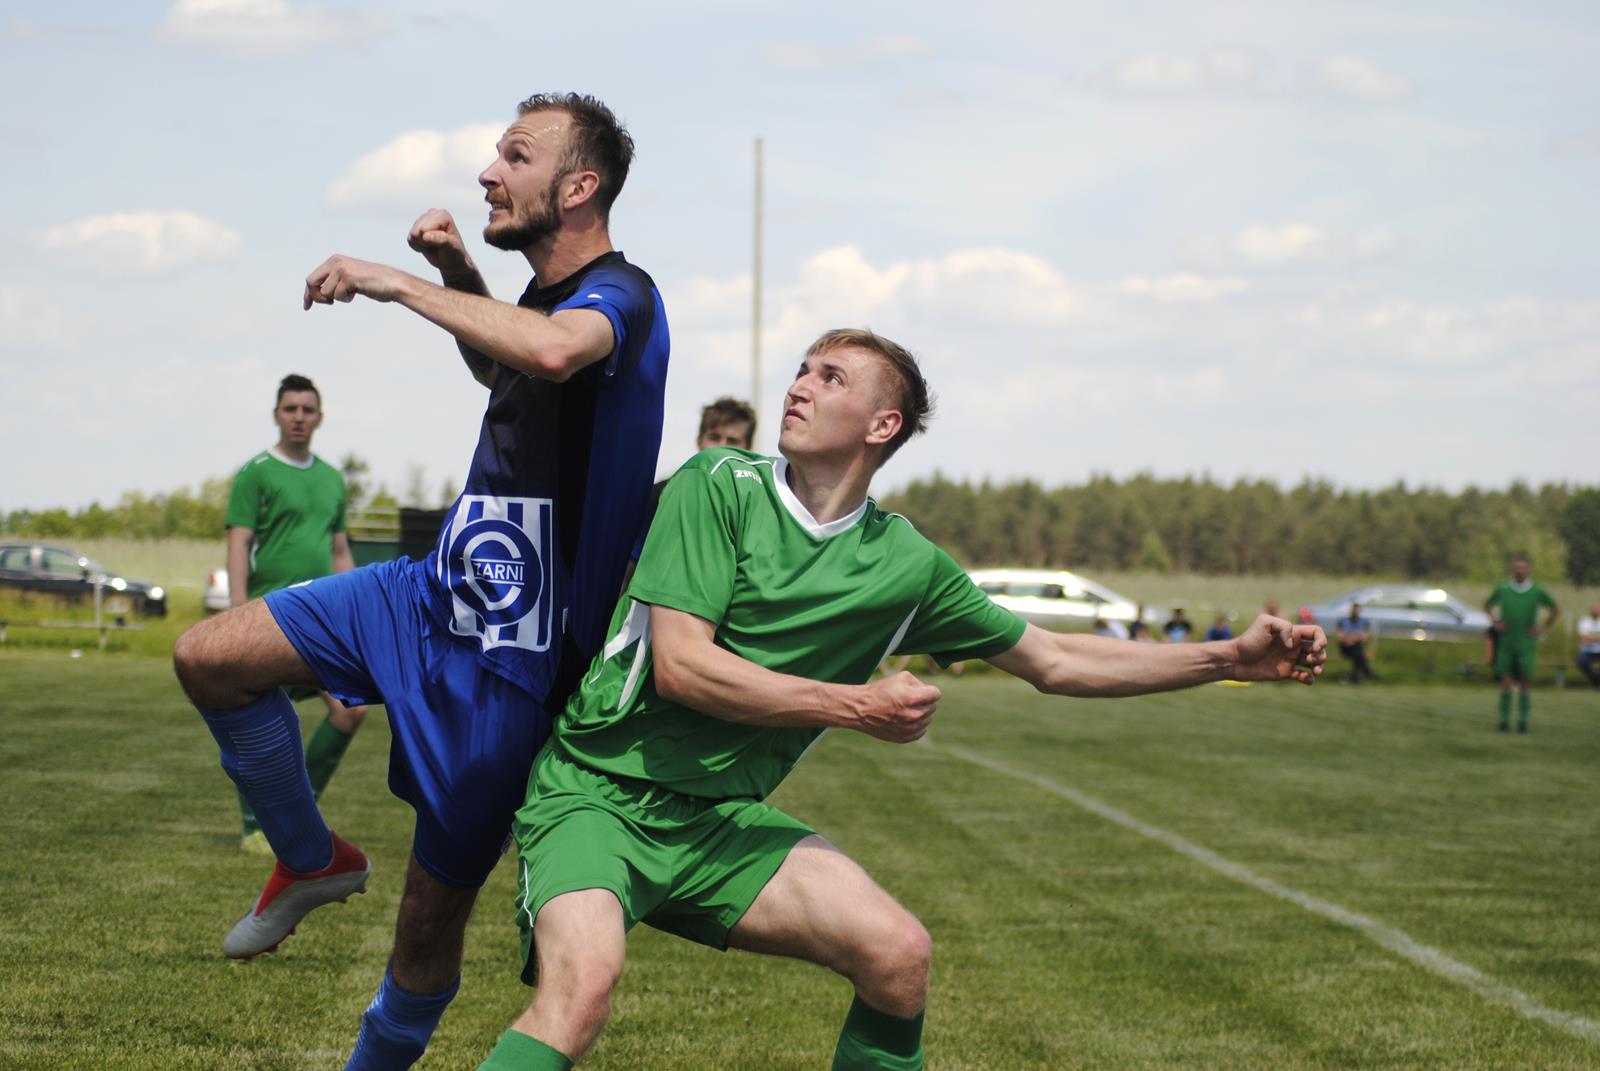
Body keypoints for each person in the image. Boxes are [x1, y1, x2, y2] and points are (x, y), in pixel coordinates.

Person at [474, 328, 1326, 1071]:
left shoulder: (906, 563)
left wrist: (1230, 658)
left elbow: (1057, 657)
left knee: (898, 952)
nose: (801, 384)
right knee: (583, 988)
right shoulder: (717, 485)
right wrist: (856, 705)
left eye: (831, 377)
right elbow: (685, 670)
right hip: (596, 793)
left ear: (884, 427)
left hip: (711, 820)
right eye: (802, 369)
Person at [172, 92, 669, 1070]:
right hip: (428, 591)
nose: (488, 171)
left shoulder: (622, 293)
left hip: (513, 665)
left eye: (514, 156)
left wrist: (400, 282)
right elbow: (510, 366)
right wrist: (457, 272)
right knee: (210, 658)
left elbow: (557, 352)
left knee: (423, 939)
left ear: (580, 186)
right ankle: (312, 860)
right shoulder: (541, 301)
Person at [224, 374, 370, 855]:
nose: (299, 417)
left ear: (320, 417)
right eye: (291, 409)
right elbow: (239, 543)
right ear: (277, 415)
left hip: (322, 620)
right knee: (261, 727)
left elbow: (340, 549)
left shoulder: (331, 479)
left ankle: (298, 815)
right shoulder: (256, 473)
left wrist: (356, 609)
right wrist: (236, 615)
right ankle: (255, 828)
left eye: (308, 409)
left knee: (351, 709)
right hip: (267, 618)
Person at [1485, 555, 1560, 733]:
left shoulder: (1536, 590)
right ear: (1513, 569)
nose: (1520, 570)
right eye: (1517, 567)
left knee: (1526, 681)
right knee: (1505, 681)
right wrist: (1496, 622)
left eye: (1523, 567)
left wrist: (1543, 628)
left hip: (1526, 642)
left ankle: (1523, 722)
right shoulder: (1503, 588)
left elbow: (1555, 609)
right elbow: (1488, 605)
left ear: (1528, 570)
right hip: (1507, 641)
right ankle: (1503, 721)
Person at [1335, 602, 1376, 684]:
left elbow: (1365, 637)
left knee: (1357, 650)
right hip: (1346, 648)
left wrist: (1352, 639)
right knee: (1359, 651)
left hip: (1356, 647)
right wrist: (1353, 638)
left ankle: (1355, 676)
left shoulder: (1364, 622)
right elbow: (1340, 636)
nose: (1355, 612)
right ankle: (1366, 671)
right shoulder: (1343, 621)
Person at [1577, 605, 1600, 689]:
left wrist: (1591, 638)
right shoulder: (1585, 621)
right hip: (1587, 651)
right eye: (1596, 610)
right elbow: (1584, 638)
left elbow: (1587, 637)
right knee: (1582, 662)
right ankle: (1595, 678)